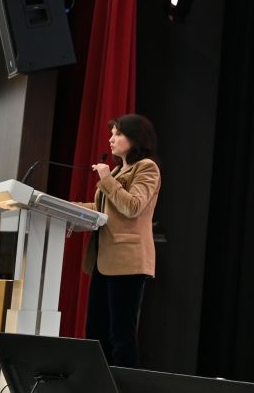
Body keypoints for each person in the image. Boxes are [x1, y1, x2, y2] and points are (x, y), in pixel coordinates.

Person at [82, 114, 162, 367]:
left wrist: (106, 180)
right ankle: (98, 382)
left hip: (128, 262)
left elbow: (133, 206)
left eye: (118, 134)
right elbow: (100, 209)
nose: (111, 139)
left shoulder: (147, 167)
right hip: (103, 260)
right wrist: (59, 207)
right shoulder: (117, 170)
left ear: (135, 138)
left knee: (121, 334)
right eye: (111, 133)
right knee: (95, 330)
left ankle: (122, 384)